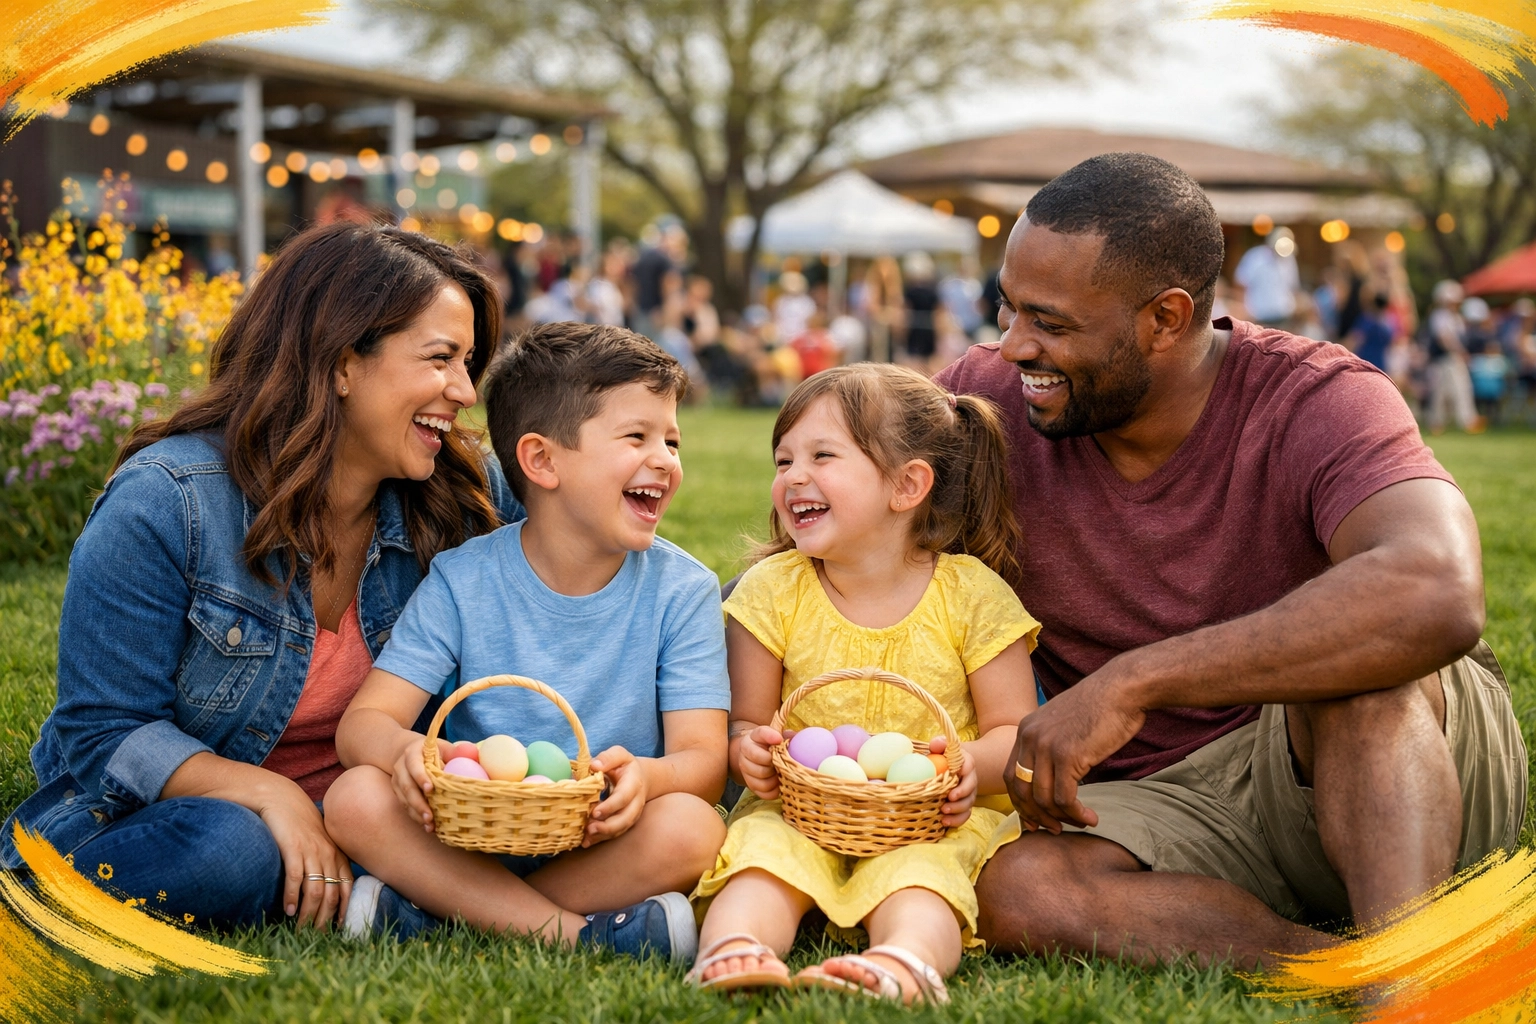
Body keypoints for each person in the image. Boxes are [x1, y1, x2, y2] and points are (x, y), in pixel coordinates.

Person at [933, 153, 1523, 967]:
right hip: (1161, 802)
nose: (1012, 346)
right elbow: (842, 506)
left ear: (1167, 319)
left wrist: (1136, 681)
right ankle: (1335, 970)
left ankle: (1412, 982)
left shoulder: (1318, 397)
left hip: (1375, 755)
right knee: (1015, 889)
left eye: (1052, 323)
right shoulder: (987, 400)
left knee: (1357, 673)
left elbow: (1438, 588)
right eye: (1007, 309)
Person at [0, 224, 522, 930]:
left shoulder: (461, 491)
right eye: (441, 359)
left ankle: (369, 885)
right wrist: (269, 797)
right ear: (342, 364)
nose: (464, 390)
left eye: (468, 363)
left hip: (375, 820)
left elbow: (584, 525)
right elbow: (106, 733)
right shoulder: (170, 500)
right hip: (169, 814)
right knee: (229, 851)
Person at [324, 322, 728, 959]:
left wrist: (646, 779)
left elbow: (704, 762)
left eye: (671, 441)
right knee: (354, 798)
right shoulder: (463, 578)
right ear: (542, 461)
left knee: (694, 828)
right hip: (467, 830)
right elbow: (363, 726)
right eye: (636, 437)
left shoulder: (683, 590)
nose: (665, 460)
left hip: (599, 841)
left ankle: (447, 914)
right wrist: (406, 753)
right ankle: (579, 936)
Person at [688, 364, 1040, 1002]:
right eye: (784, 459)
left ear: (907, 485)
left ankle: (904, 963)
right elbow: (746, 721)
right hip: (801, 806)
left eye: (823, 455)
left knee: (921, 880)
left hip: (931, 817)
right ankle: (734, 947)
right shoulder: (773, 591)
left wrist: (967, 768)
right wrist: (751, 753)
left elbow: (1014, 731)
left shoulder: (972, 596)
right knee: (763, 857)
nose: (795, 476)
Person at [1425, 280, 1483, 434]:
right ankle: (1438, 422)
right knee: (1440, 393)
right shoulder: (1440, 316)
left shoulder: (1454, 317)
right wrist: (1459, 351)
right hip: (1444, 359)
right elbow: (1444, 338)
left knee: (1460, 390)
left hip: (1452, 358)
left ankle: (1466, 421)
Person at [1232, 227, 1299, 327]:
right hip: (1259, 318)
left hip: (1284, 316)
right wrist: (1244, 311)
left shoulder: (1289, 259)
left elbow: (1293, 287)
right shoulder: (1255, 257)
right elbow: (1241, 284)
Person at [1346, 291, 1393, 371]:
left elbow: (1356, 338)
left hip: (1365, 360)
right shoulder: (1388, 325)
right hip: (1380, 363)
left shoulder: (1367, 320)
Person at [1469, 338, 1509, 424]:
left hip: (1494, 391)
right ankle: (1477, 421)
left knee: (1492, 404)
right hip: (1480, 390)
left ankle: (1494, 421)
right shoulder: (1478, 360)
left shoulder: (1500, 361)